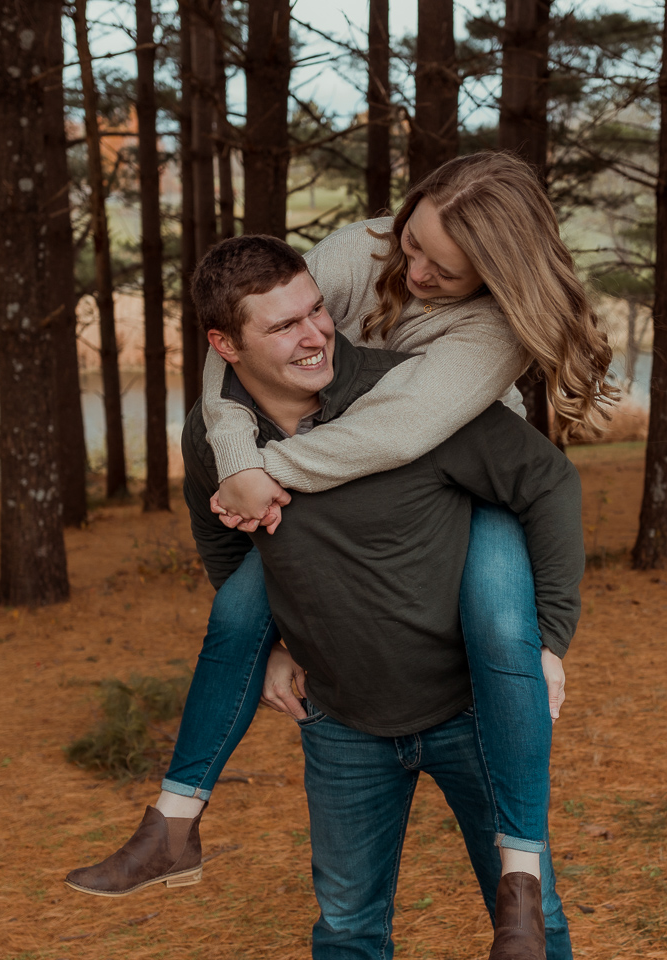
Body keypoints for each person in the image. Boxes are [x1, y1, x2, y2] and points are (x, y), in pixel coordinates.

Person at [65, 151, 612, 903]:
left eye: (442, 270)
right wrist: (233, 454)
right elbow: (233, 347)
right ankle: (173, 823)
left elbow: (398, 430)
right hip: (320, 456)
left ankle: (519, 869)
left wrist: (266, 471)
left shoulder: (494, 330)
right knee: (238, 612)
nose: (413, 271)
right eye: (413, 243)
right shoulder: (368, 249)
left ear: (495, 272)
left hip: (457, 478)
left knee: (499, 625)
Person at [151, 235, 584, 957]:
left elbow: (548, 484)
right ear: (225, 345)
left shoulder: (418, 397)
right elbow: (223, 538)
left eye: (317, 311)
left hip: (472, 712)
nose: (316, 333)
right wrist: (273, 650)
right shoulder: (215, 436)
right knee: (348, 931)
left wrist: (548, 638)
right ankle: (168, 828)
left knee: (533, 928)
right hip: (341, 724)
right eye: (284, 325)